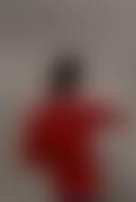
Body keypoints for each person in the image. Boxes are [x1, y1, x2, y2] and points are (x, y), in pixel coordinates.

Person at [21, 55, 118, 202]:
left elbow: (31, 156)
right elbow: (115, 117)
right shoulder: (82, 110)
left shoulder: (42, 116)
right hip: (86, 182)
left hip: (63, 184)